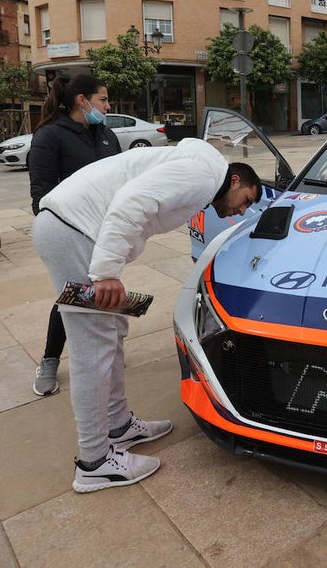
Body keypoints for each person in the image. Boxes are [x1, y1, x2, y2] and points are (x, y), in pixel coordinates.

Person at [33, 138, 262, 492]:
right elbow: (134, 200)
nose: (241, 210)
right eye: (246, 199)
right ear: (235, 180)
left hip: (75, 228)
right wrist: (106, 271)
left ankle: (118, 426)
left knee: (111, 332)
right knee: (93, 348)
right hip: (75, 230)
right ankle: (94, 462)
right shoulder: (206, 173)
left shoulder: (200, 171)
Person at [30, 75, 123, 397]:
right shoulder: (49, 136)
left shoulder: (107, 135)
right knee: (71, 297)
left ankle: (108, 353)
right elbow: (41, 197)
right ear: (82, 100)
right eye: (103, 100)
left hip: (107, 233)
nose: (108, 107)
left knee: (103, 294)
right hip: (71, 233)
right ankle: (50, 359)